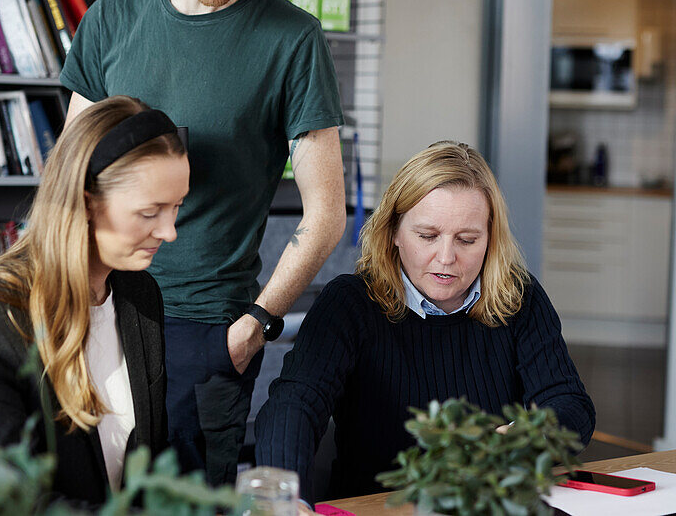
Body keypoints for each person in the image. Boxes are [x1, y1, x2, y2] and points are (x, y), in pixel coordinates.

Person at [59, 0, 346, 485]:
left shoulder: (292, 39)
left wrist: (254, 326)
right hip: (94, 311)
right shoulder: (111, 18)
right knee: (81, 492)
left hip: (208, 328)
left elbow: (326, 216)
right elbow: (68, 183)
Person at [254, 141, 596, 505]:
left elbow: (570, 404)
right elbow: (293, 406)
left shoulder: (518, 297)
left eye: (467, 239)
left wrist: (524, 439)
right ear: (394, 233)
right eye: (428, 236)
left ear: (490, 239)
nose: (446, 258)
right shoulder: (350, 303)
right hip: (378, 508)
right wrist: (285, 503)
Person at [0, 96, 189, 505]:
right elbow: (5, 504)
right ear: (86, 202)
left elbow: (147, 471)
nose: (169, 231)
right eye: (150, 211)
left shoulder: (140, 297)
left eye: (177, 207)